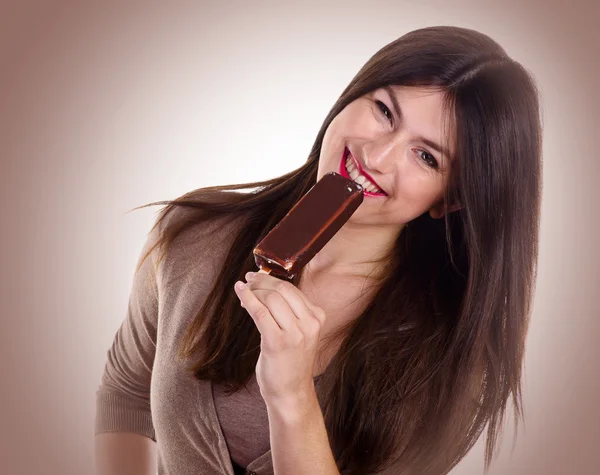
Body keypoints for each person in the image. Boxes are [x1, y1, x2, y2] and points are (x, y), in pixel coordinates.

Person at [95, 25, 542, 475]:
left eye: (426, 156)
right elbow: (126, 391)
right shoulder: (193, 234)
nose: (378, 156)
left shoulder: (448, 363)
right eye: (385, 111)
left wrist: (292, 396)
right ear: (353, 95)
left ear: (450, 199)